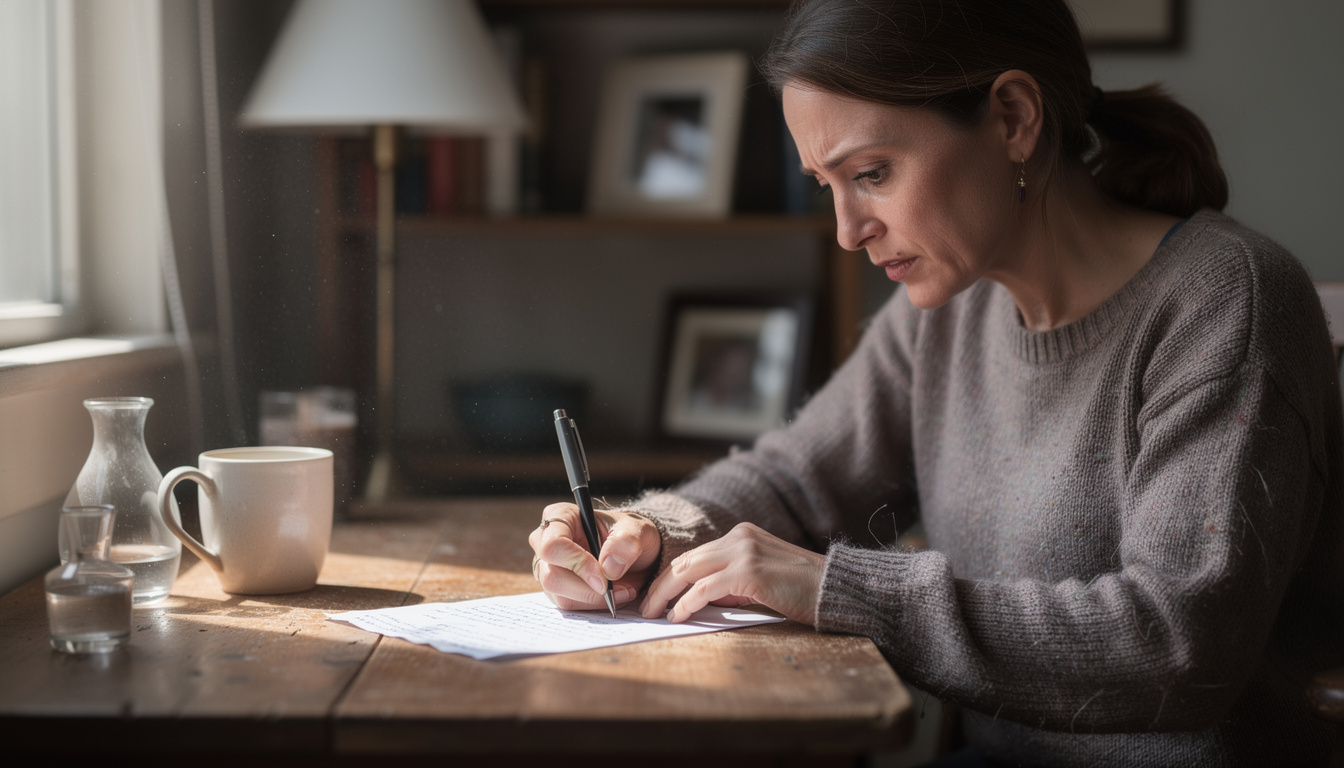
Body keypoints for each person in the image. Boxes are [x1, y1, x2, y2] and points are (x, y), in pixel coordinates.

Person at [529, 0, 1344, 764]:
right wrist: (647, 533)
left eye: (872, 173)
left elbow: (1179, 642)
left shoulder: (1227, 302)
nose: (848, 231)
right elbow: (794, 481)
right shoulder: (949, 308)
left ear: (1013, 118)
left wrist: (840, 590)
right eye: (826, 185)